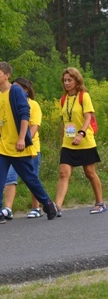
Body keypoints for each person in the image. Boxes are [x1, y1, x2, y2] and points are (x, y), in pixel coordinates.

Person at [0, 62, 58, 225]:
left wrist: (22, 138)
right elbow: (6, 119)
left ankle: (48, 204)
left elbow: (25, 115)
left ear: (7, 75)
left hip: (17, 146)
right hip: (3, 145)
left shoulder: (15, 90)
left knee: (30, 178)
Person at [55, 67, 105, 215]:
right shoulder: (64, 99)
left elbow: (88, 117)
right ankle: (57, 206)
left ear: (77, 81)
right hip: (68, 142)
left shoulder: (84, 96)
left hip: (84, 141)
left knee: (90, 172)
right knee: (64, 173)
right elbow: (65, 120)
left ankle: (100, 203)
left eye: (70, 80)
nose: (67, 83)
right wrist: (63, 137)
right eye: (65, 80)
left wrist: (81, 134)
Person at [0, 78, 43, 219]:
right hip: (13, 148)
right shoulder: (10, 103)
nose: (14, 90)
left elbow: (34, 126)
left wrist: (24, 140)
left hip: (31, 148)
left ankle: (36, 207)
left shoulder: (33, 105)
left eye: (17, 88)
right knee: (10, 177)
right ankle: (8, 208)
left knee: (32, 177)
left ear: (26, 90)